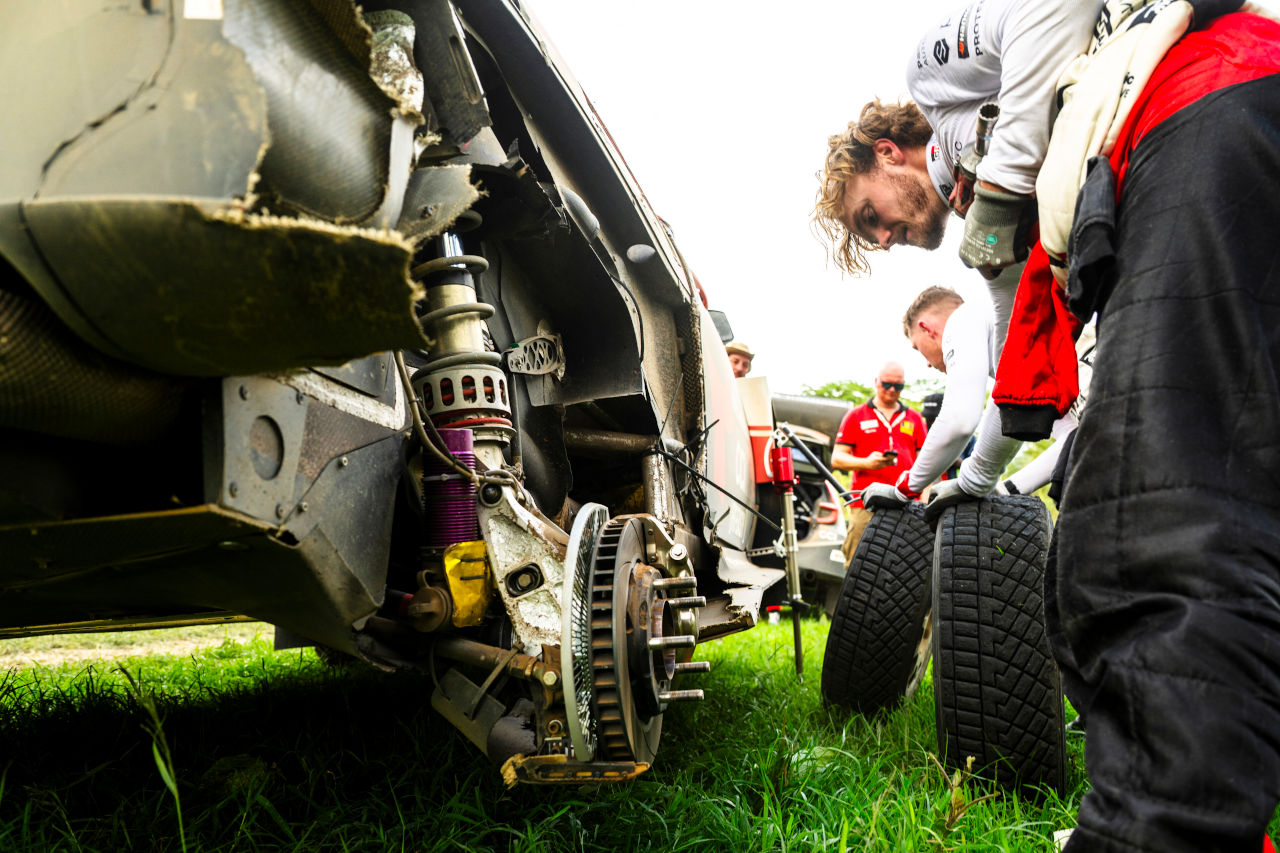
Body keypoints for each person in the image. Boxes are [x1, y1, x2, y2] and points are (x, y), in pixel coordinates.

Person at [843, 1, 1280, 849]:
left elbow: (1056, 2)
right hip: (1217, 133)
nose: (889, 237)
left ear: (886, 151)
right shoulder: (994, 228)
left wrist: (1003, 188)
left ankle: (1155, 831)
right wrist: (979, 482)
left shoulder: (931, 75)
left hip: (1202, 107)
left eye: (872, 215)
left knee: (1144, 528)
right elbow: (1018, 377)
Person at [862, 286, 1074, 508]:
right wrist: (1007, 490)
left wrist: (905, 489)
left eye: (917, 347)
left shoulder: (964, 318)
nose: (927, 363)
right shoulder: (1026, 363)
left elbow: (959, 420)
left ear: (927, 329)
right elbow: (1074, 438)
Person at [829, 361, 927, 558]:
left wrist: (923, 503)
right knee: (859, 559)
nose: (892, 390)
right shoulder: (856, 415)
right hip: (865, 504)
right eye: (887, 384)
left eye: (898, 386)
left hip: (906, 503)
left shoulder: (915, 418)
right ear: (876, 382)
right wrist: (867, 463)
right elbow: (837, 458)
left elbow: (926, 464)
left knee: (904, 559)